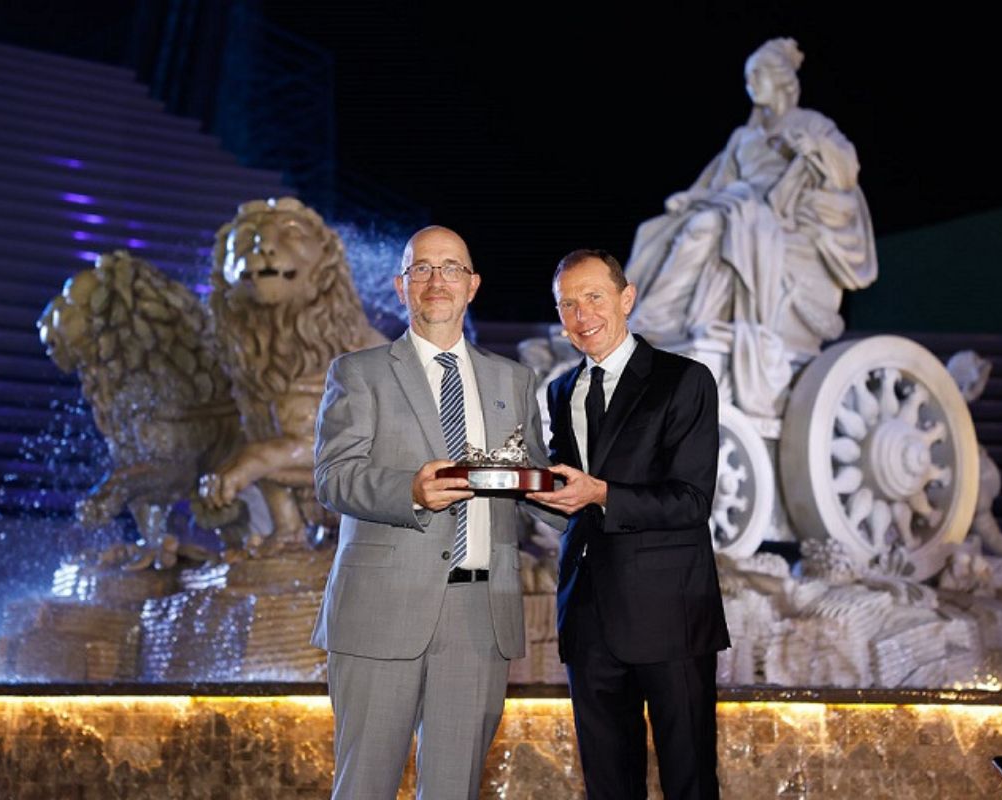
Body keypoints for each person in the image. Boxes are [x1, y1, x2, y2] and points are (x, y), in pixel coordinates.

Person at [310, 226, 557, 798]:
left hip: (480, 617)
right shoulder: (357, 372)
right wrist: (410, 491)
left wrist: (580, 501)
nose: (436, 280)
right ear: (401, 286)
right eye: (421, 268)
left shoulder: (514, 380)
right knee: (364, 786)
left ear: (473, 286)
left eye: (451, 268)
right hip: (379, 613)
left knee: (454, 790)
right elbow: (334, 478)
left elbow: (532, 480)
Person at [527, 249, 729, 799]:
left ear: (626, 298)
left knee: (689, 782)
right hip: (587, 618)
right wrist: (516, 486)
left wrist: (603, 493)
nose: (581, 314)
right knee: (607, 786)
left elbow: (690, 501)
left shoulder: (684, 381)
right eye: (567, 303)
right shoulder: (560, 390)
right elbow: (570, 500)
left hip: (671, 618)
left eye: (593, 297)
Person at [626, 37, 877, 418]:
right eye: (748, 77)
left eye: (757, 74)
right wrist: (690, 197)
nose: (750, 84)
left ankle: (654, 318)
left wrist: (810, 147)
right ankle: (639, 313)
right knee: (654, 230)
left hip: (780, 219)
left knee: (708, 226)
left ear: (780, 79)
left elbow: (846, 169)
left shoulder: (811, 124)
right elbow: (715, 182)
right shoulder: (742, 137)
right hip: (738, 205)